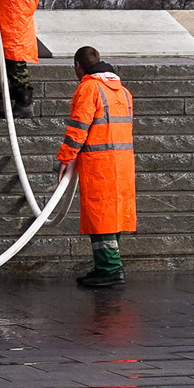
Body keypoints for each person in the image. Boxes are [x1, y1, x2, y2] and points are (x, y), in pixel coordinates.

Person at [57, 45, 136, 288]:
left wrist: (64, 159)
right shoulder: (123, 91)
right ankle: (108, 265)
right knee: (112, 216)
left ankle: (109, 269)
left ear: (78, 66)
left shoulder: (89, 88)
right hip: (122, 163)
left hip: (100, 164)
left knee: (101, 217)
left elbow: (78, 129)